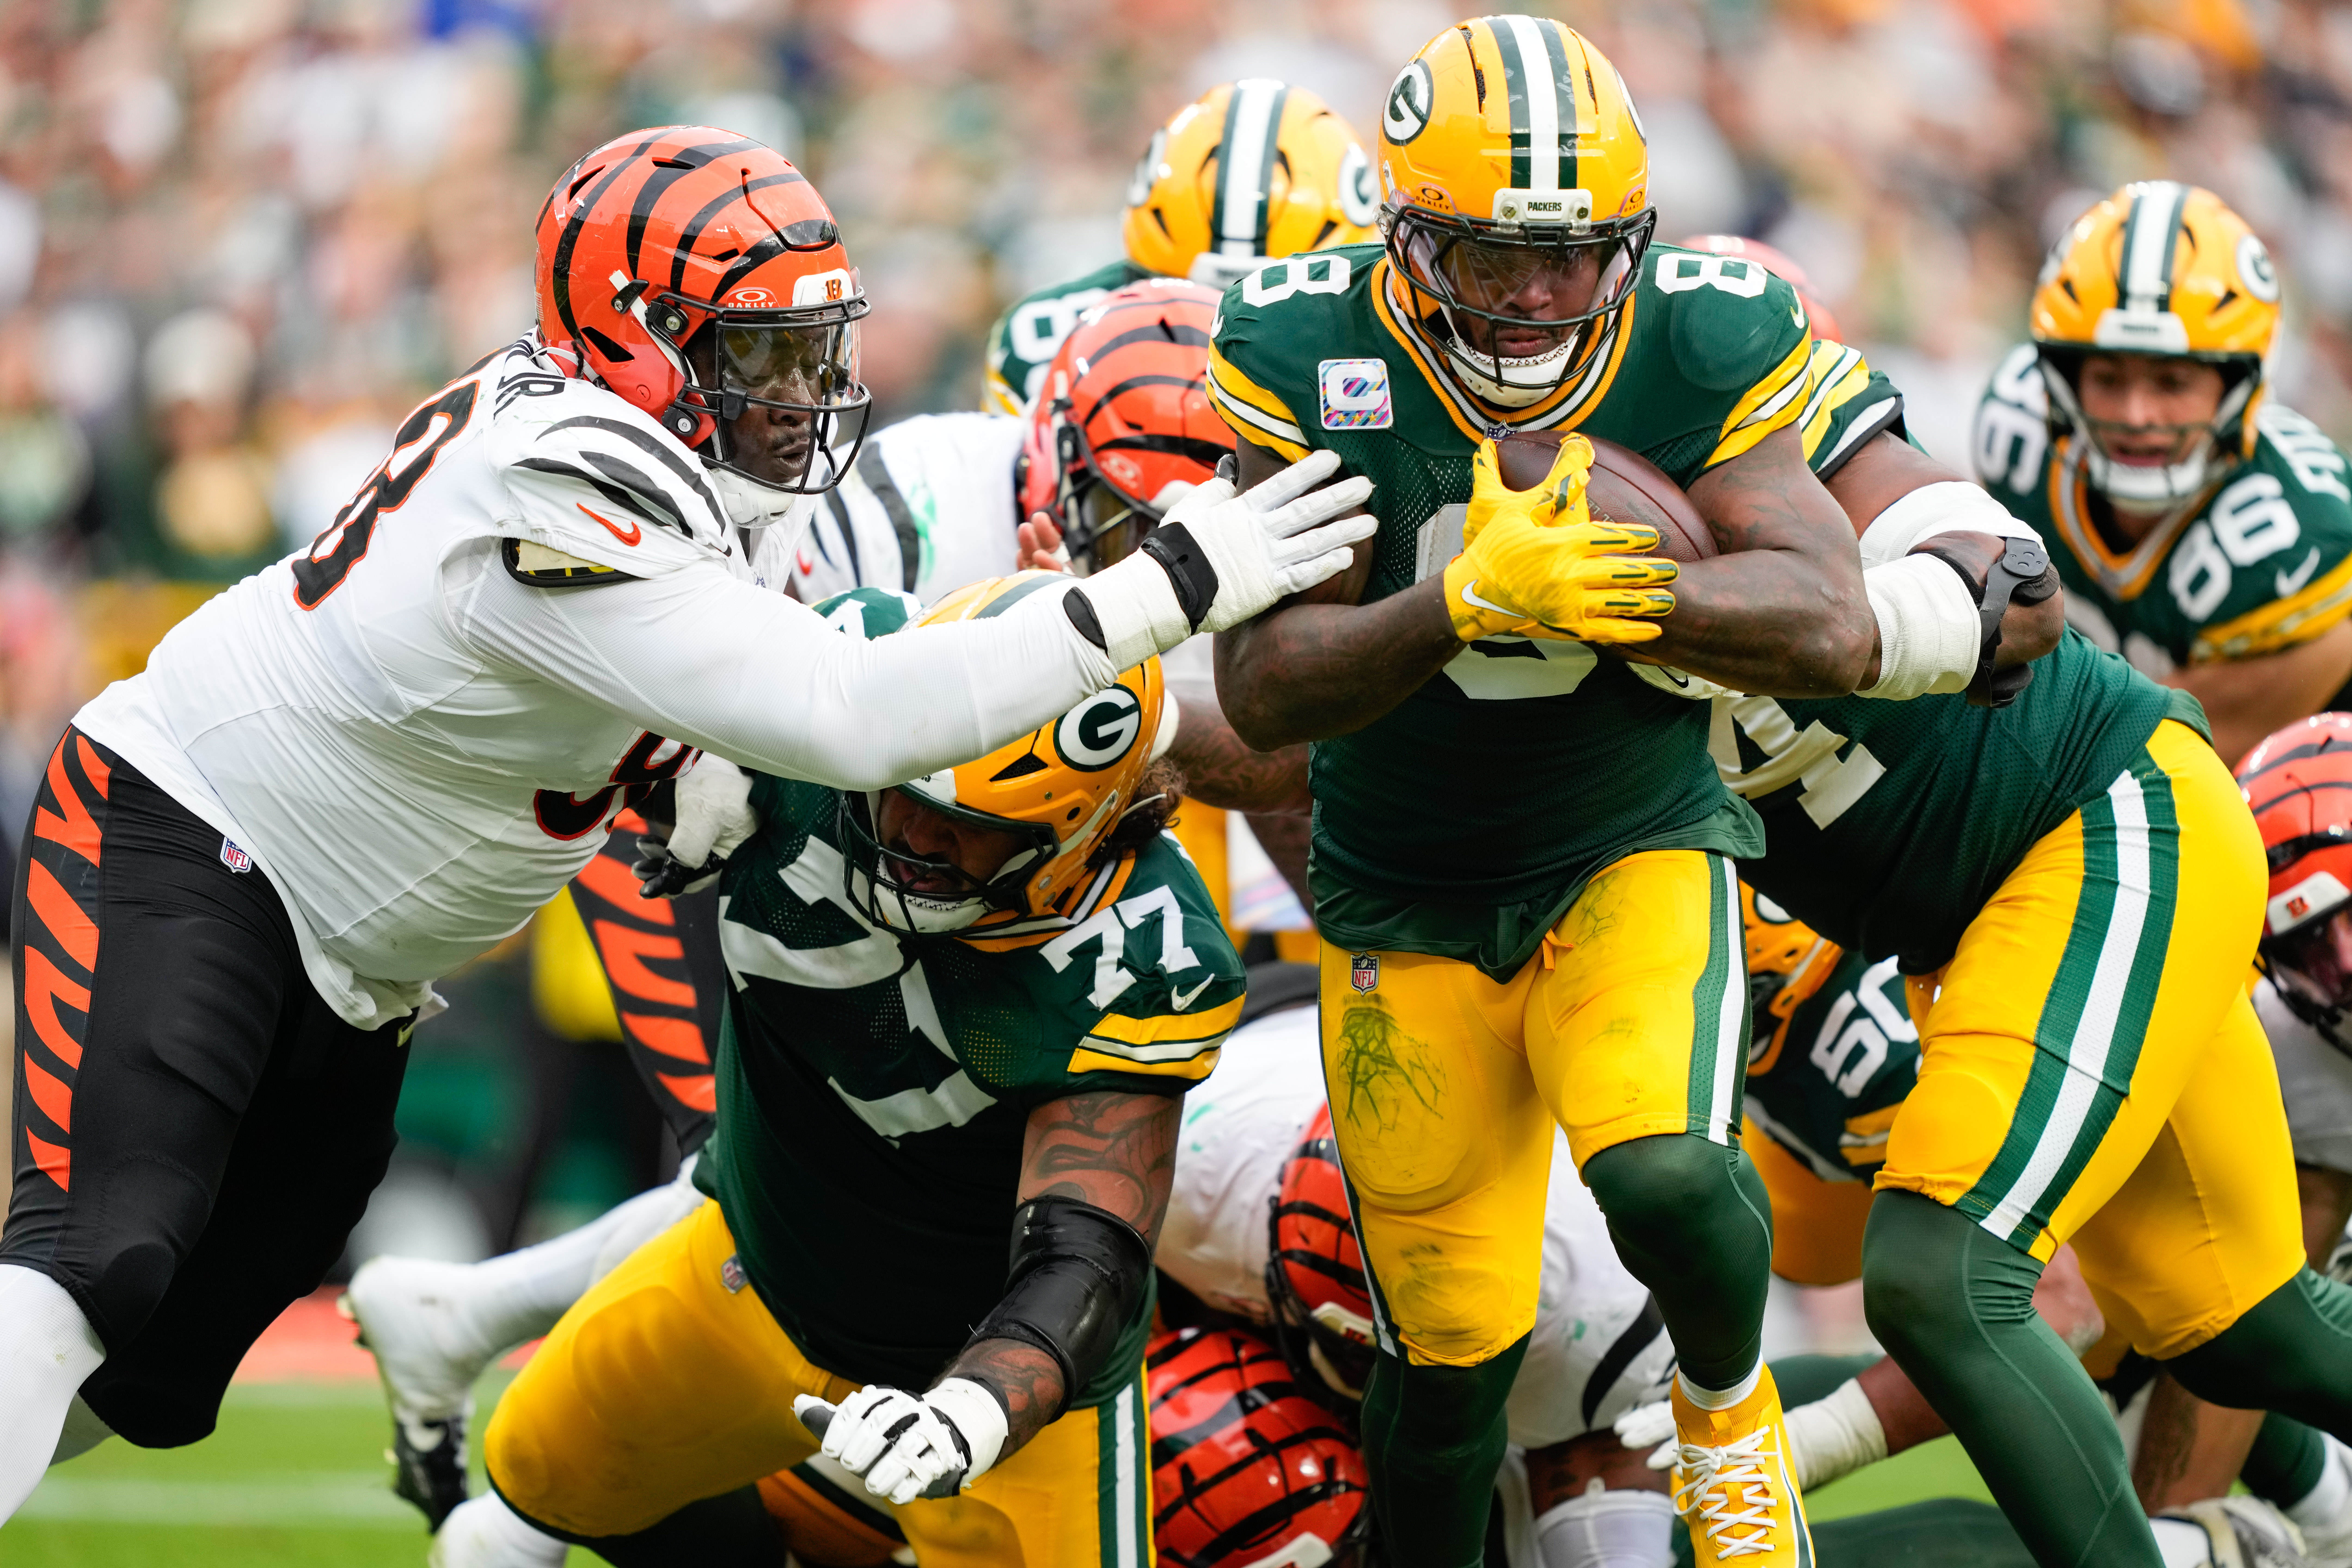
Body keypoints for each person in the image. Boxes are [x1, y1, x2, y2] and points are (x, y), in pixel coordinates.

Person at [0, 125, 1377, 1523]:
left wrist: (680, 765)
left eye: (812, 351)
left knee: (159, 1374)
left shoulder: (691, 464)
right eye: (760, 357)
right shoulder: (566, 464)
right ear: (636, 335)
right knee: (100, 1256)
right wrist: (1165, 588)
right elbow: (853, 712)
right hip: (195, 830)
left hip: (358, 961)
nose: (802, 395)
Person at [1201, 16, 2069, 1564]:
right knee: (1447, 1359)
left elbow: (1823, 614)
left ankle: (1730, 1411)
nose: (1537, 296)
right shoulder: (1301, 344)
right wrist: (1455, 603)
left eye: (1574, 253)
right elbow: (1269, 687)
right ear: (1401, 240)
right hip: (1403, 885)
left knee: (1670, 1170)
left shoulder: (1697, 328)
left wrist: (1617, 596)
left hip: (1630, 838)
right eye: (1488, 257)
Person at [430, 578, 1247, 1566]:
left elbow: (1088, 1255)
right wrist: (677, 741)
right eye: (906, 789)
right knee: (535, 1470)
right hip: (753, 1276)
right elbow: (554, 649)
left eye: (970, 825)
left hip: (980, 1367)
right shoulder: (824, 713)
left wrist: (972, 1413)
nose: (915, 838)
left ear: (1082, 828)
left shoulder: (1141, 955)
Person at [1973, 182, 2352, 770]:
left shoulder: (2296, 521)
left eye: (2171, 383)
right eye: (2108, 377)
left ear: (2238, 385)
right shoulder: (2017, 435)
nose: (2136, 414)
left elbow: (2169, 764)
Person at [984, 81, 1375, 416]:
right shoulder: (1053, 340)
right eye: (1195, 301)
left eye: (1273, 307)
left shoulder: (1388, 335)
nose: (1224, 339)